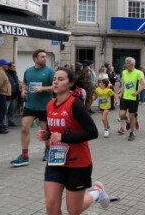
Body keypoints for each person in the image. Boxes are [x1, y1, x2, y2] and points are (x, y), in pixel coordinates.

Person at [36, 67, 110, 215]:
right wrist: (46, 134)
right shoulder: (50, 105)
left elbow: (92, 132)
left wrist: (64, 138)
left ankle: (97, 193)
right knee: (51, 207)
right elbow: (55, 130)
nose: (56, 82)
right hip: (56, 160)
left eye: (61, 79)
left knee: (73, 210)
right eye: (54, 79)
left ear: (70, 84)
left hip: (78, 163)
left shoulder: (75, 105)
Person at [10, 49, 55, 167]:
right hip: (30, 105)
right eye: (42, 57)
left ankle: (48, 149)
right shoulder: (28, 71)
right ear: (35, 59)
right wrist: (23, 91)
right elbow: (25, 83)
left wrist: (42, 89)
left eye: (45, 57)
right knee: (24, 128)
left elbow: (55, 87)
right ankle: (24, 156)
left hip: (45, 106)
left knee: (45, 131)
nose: (45, 58)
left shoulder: (50, 71)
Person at [117, 57, 145, 141]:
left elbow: (143, 85)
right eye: (125, 62)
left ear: (132, 64)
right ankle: (128, 122)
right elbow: (124, 84)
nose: (125, 64)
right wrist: (121, 93)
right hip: (124, 97)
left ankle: (132, 133)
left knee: (132, 115)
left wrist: (136, 93)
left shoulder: (138, 73)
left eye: (127, 63)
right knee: (121, 114)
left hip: (133, 98)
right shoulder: (124, 72)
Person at [6, 62, 20, 127]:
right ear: (9, 67)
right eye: (13, 66)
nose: (15, 68)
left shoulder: (15, 74)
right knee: (6, 109)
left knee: (12, 109)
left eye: (15, 66)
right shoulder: (6, 74)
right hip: (8, 94)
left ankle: (11, 121)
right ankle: (5, 123)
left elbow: (16, 83)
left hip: (14, 94)